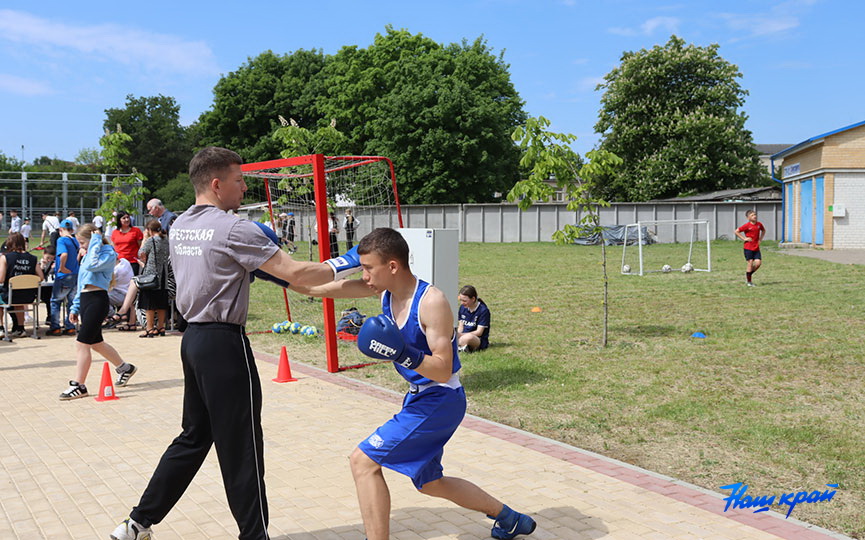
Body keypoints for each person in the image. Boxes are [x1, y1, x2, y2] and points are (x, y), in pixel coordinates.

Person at [110, 146, 357, 540]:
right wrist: (350, 259)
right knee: (241, 446)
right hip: (225, 345)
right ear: (216, 183)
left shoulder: (182, 225)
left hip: (192, 341)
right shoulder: (234, 228)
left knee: (194, 436)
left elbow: (284, 280)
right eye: (239, 180)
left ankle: (137, 523)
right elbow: (296, 273)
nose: (244, 188)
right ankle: (254, 537)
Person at [288, 228, 536, 540]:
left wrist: (404, 354)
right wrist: (284, 277)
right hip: (418, 398)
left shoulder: (431, 302)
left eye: (368, 268)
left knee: (363, 462)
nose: (363, 275)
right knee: (430, 483)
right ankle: (510, 518)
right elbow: (326, 288)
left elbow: (443, 370)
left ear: (392, 266)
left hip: (440, 399)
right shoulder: (385, 292)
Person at [58, 224, 138, 400]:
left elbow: (94, 265)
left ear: (93, 239)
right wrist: (75, 306)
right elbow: (81, 282)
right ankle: (125, 368)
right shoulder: (87, 254)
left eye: (82, 242)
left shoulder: (108, 252)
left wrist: (94, 241)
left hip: (97, 300)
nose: (81, 247)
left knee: (82, 343)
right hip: (86, 299)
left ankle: (79, 385)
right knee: (95, 343)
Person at [0, 232, 44, 338]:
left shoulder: (5, 258)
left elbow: (1, 279)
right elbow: (41, 277)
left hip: (10, 295)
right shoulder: (33, 258)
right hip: (28, 296)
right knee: (18, 299)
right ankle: (20, 328)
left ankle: (1, 328)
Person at [136, 219, 171, 338]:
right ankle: (161, 327)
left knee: (149, 303)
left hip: (151, 276)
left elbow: (141, 253)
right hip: (163, 275)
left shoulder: (151, 240)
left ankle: (149, 329)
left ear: (150, 230)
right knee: (161, 302)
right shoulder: (166, 240)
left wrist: (144, 239)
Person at [47, 219, 80, 336]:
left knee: (56, 301)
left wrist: (62, 267)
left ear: (60, 230)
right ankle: (70, 326)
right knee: (71, 302)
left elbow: (64, 254)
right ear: (71, 230)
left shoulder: (61, 240)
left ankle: (55, 327)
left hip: (64, 275)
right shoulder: (75, 241)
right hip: (76, 274)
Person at [735, 210, 766, 287]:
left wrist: (760, 239)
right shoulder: (747, 226)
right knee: (750, 262)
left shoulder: (759, 224)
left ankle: (748, 274)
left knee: (758, 263)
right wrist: (744, 238)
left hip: (756, 248)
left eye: (755, 214)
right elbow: (737, 231)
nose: (754, 216)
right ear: (748, 217)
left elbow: (763, 230)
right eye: (752, 215)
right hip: (748, 247)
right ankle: (749, 281)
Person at [457, 285, 491, 352]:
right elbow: (461, 326)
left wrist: (461, 335)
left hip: (477, 339)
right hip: (463, 335)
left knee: (468, 338)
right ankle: (462, 347)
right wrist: (457, 334)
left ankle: (460, 346)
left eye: (464, 301)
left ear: (473, 299)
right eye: (460, 300)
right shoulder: (462, 308)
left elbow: (479, 332)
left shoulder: (483, 310)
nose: (462, 303)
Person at [111, 211, 144, 276]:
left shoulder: (136, 231)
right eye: (124, 218)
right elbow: (113, 246)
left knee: (132, 282)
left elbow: (141, 246)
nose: (127, 219)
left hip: (132, 261)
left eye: (128, 217)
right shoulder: (115, 232)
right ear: (119, 220)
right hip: (119, 262)